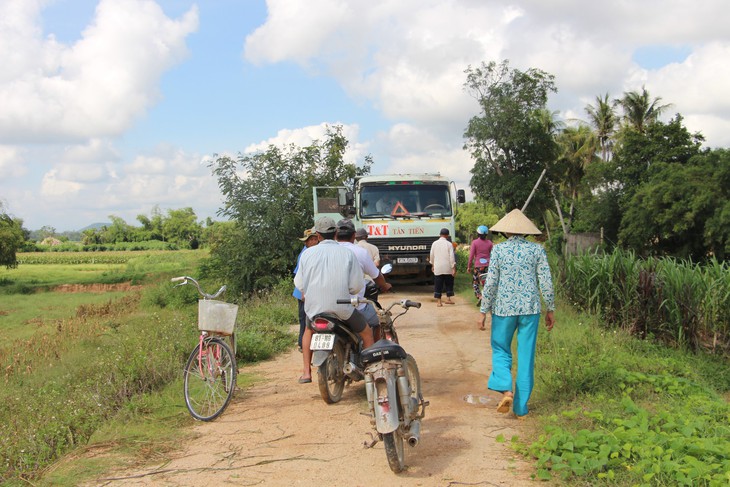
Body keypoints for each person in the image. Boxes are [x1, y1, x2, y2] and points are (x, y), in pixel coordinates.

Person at [480, 209, 555, 418]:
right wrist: (550, 308)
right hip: (530, 310)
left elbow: (492, 282)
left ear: (505, 232)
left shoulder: (498, 251)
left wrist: (483, 310)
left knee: (501, 349)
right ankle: (521, 408)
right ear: (526, 232)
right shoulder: (537, 250)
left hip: (503, 309)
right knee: (526, 355)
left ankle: (506, 390)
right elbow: (546, 282)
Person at [293, 216, 372, 384]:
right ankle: (372, 370)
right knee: (366, 332)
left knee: (308, 331)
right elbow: (356, 286)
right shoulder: (347, 253)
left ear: (318, 235)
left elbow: (299, 284)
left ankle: (306, 372)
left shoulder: (307, 254)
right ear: (336, 233)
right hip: (342, 309)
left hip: (315, 310)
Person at [336, 219, 392, 338]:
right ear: (353, 236)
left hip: (327, 305)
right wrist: (384, 285)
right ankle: (373, 353)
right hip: (353, 305)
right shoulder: (361, 252)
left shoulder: (328, 251)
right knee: (377, 321)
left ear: (335, 235)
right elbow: (376, 275)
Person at [292, 226, 318, 351]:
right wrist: (303, 292)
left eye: (314, 239)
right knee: (304, 319)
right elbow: (299, 276)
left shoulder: (313, 252)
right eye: (310, 240)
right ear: (306, 242)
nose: (312, 242)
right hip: (302, 292)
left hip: (310, 292)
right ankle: (302, 344)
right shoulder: (304, 254)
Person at [467, 225, 494, 330]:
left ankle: (479, 296)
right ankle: (487, 296)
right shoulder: (490, 243)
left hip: (478, 267)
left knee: (475, 283)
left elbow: (471, 255)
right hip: (488, 267)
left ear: (478, 234)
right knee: (487, 285)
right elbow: (493, 255)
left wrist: (469, 266)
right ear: (486, 234)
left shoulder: (474, 242)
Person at [429, 228, 456, 306]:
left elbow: (432, 255)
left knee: (438, 284)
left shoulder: (434, 243)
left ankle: (439, 302)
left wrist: (433, 264)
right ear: (447, 235)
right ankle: (448, 299)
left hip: (438, 267)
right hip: (447, 267)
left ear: (440, 235)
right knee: (449, 283)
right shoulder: (449, 244)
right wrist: (453, 267)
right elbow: (451, 257)